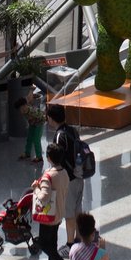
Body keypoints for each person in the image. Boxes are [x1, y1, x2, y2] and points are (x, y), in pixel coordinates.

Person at [45, 103, 86, 242]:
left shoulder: (59, 136)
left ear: (51, 118)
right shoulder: (73, 130)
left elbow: (58, 159)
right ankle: (79, 238)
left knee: (69, 214)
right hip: (79, 175)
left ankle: (70, 243)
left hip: (70, 179)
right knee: (77, 209)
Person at [30, 143, 70, 260]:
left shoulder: (48, 176)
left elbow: (43, 198)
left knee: (43, 243)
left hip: (48, 215)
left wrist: (36, 188)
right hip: (59, 213)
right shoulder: (64, 172)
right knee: (52, 242)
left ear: (48, 158)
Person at [17, 79, 47, 162]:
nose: (21, 111)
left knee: (36, 140)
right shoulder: (26, 106)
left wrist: (44, 114)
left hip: (39, 124)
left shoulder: (32, 111)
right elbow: (29, 98)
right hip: (32, 123)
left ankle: (39, 156)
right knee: (29, 138)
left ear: (24, 106)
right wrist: (31, 89)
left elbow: (42, 116)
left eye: (22, 108)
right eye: (20, 109)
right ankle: (27, 153)